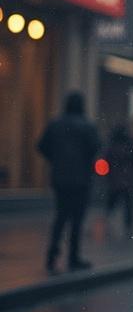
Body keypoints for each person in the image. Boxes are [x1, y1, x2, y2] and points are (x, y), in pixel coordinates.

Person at [37, 92, 101, 273]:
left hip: (60, 178)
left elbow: (41, 146)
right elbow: (96, 147)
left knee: (60, 216)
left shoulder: (55, 124)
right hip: (81, 179)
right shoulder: (87, 126)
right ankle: (73, 257)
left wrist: (56, 159)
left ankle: (51, 255)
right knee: (77, 220)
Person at [104, 125, 133, 236]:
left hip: (115, 178)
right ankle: (128, 226)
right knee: (128, 203)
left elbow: (107, 160)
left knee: (112, 201)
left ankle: (109, 221)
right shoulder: (130, 145)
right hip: (127, 178)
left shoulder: (112, 146)